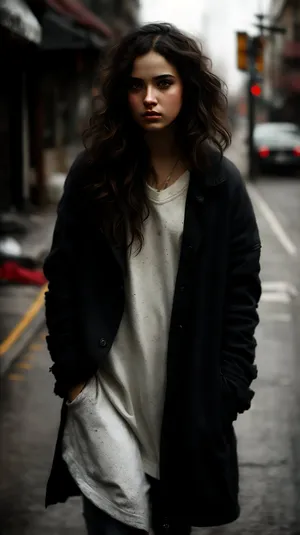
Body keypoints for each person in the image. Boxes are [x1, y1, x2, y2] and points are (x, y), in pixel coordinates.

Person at [43, 22, 262, 535]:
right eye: (137, 85)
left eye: (163, 83)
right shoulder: (93, 175)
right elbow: (63, 278)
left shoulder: (220, 185)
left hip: (186, 410)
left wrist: (230, 388)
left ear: (187, 87)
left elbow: (241, 295)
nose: (149, 98)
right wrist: (74, 381)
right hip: (107, 401)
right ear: (123, 92)